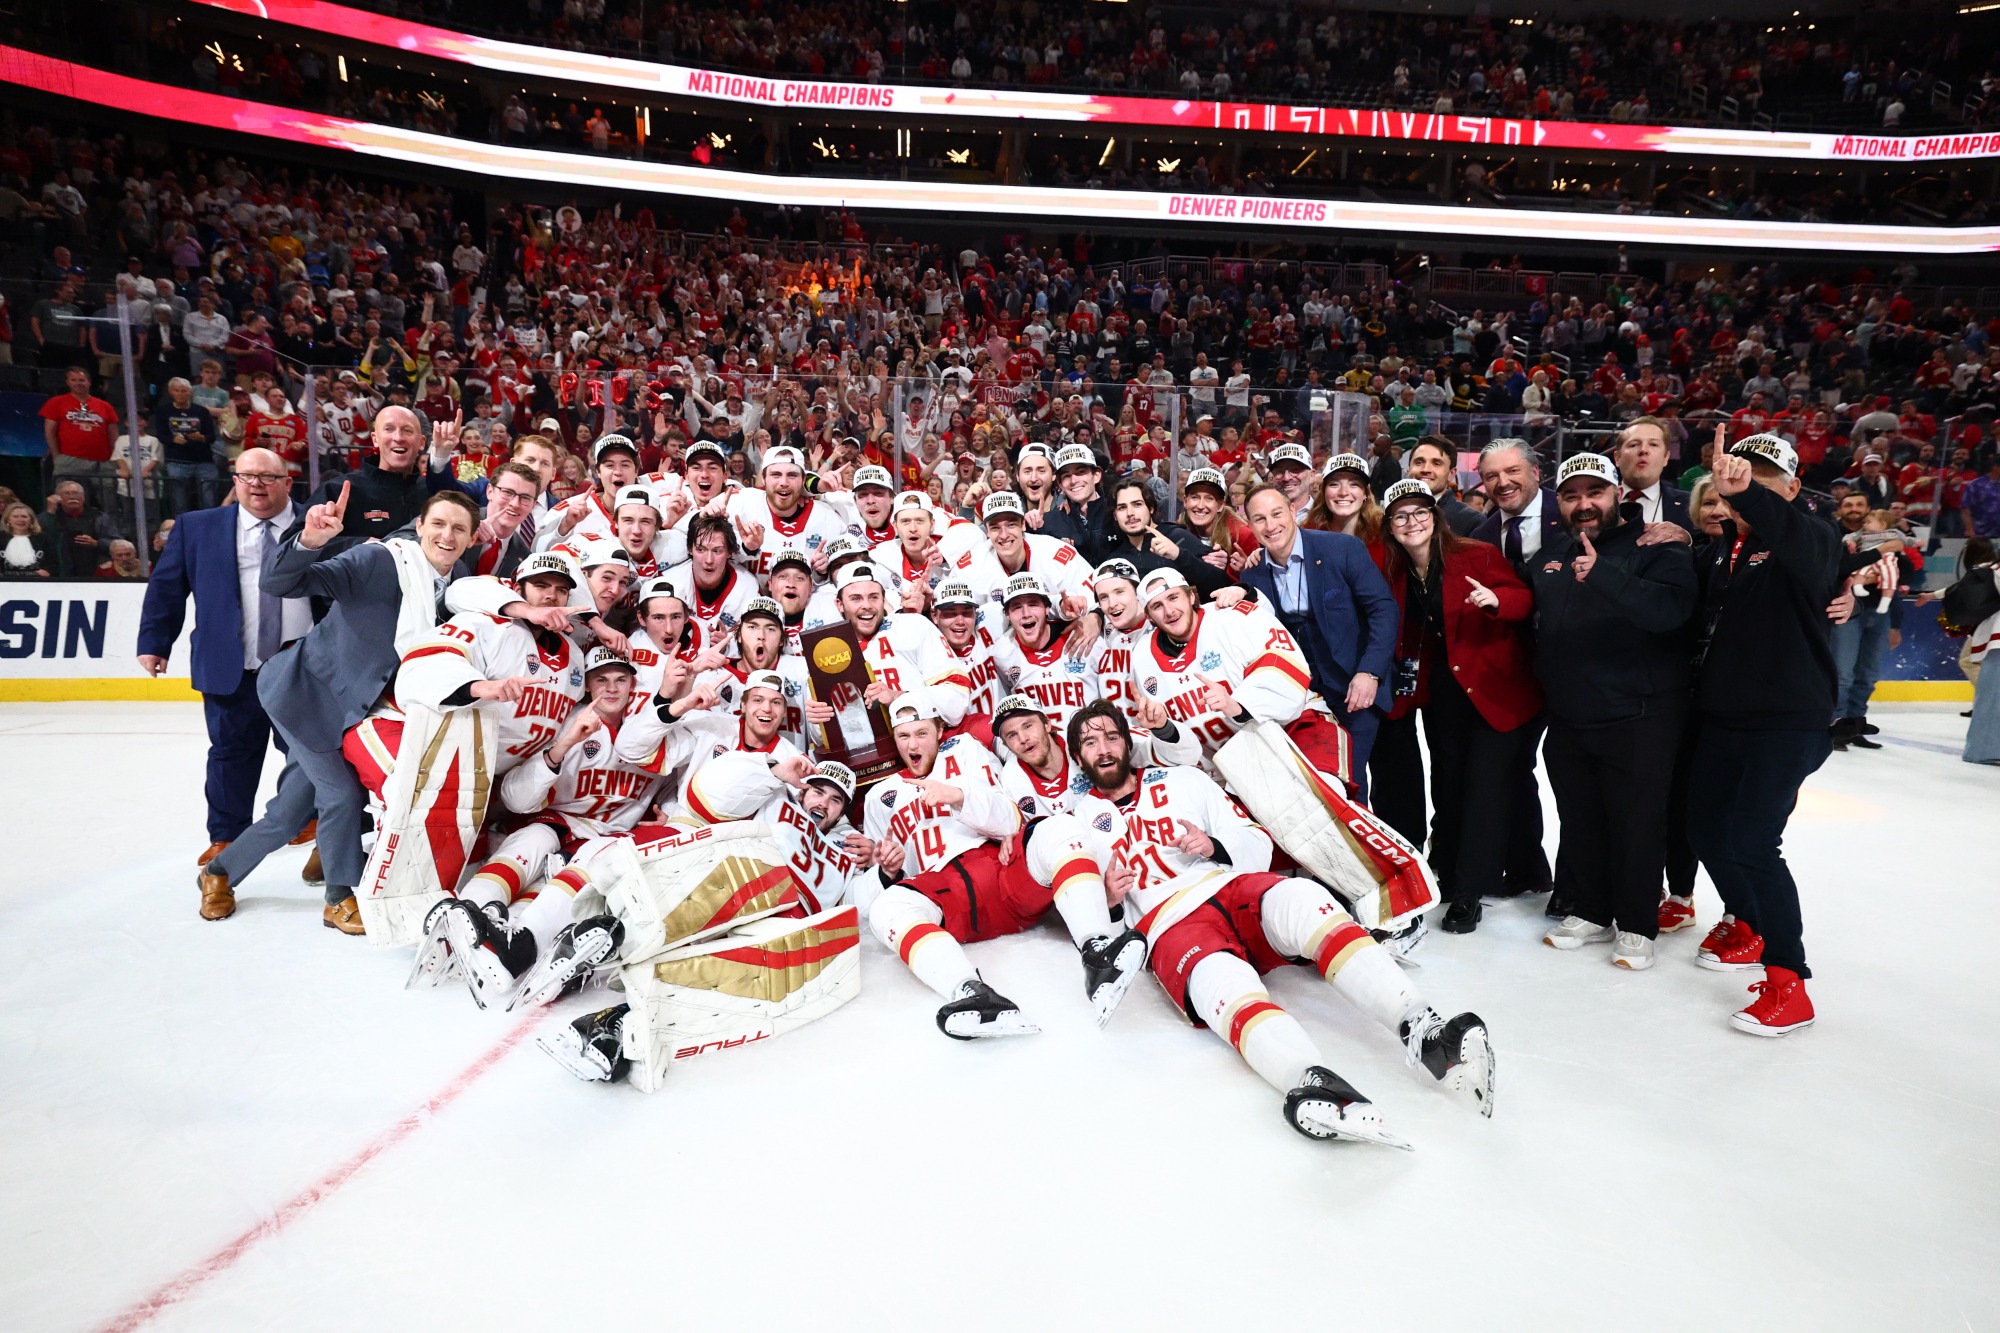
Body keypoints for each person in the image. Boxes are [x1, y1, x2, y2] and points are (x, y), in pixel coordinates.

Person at [1064, 700, 1492, 1145]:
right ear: (1079, 758)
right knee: (1221, 980)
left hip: (1228, 886)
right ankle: (1308, 1083)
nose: (1104, 748)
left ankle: (1425, 1029)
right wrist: (1110, 900)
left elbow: (1255, 840)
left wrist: (1212, 845)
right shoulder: (1077, 824)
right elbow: (1097, 934)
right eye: (1090, 743)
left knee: (1303, 897)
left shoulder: (1183, 779)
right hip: (1166, 924)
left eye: (1112, 736)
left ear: (1128, 742)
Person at [226, 487, 482, 933]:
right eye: (437, 524)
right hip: (307, 695)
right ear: (418, 527)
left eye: (459, 528)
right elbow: (278, 583)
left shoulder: (457, 575)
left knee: (290, 811)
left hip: (360, 706)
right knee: (341, 795)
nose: (447, 535)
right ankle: (339, 898)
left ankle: (218, 875)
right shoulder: (379, 560)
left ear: (472, 538)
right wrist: (310, 542)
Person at [856, 693, 1144, 1035]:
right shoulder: (878, 797)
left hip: (1001, 873)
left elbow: (1010, 818)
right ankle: (971, 994)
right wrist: (886, 873)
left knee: (1060, 826)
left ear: (938, 730)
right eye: (904, 737)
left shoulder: (965, 751)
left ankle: (1097, 952)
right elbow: (866, 894)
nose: (913, 743)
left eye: (921, 733)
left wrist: (959, 795)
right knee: (885, 907)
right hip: (946, 897)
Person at [1686, 434, 1840, 1036]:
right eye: (1734, 475)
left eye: (1762, 478)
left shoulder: (1811, 536)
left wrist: (1747, 491)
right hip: (1725, 718)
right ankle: (1748, 924)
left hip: (1787, 722)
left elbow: (1808, 548)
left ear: (1793, 488)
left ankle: (1789, 983)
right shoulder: (1729, 547)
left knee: (1753, 841)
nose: (1741, 486)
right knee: (1705, 829)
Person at [1528, 453, 1698, 970]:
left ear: (1618, 494)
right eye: (1572, 495)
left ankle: (1637, 921)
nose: (1584, 505)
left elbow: (1670, 613)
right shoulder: (1551, 554)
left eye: (1594, 493)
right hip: (1571, 718)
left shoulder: (1658, 546)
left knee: (1637, 823)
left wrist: (1603, 575)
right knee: (1581, 821)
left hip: (1639, 717)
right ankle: (1593, 909)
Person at [1377, 480, 1541, 933]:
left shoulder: (1476, 554)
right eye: (1401, 515)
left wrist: (1494, 602)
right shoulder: (1392, 566)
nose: (1412, 523)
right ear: (1390, 526)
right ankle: (1446, 871)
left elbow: (1522, 598)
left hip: (1492, 690)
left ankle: (1470, 891)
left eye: (1420, 512)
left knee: (1483, 791)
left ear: (1437, 515)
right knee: (1447, 783)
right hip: (1441, 694)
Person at [1237, 484, 1398, 795]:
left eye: (1276, 514)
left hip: (1356, 687)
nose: (1271, 526)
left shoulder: (1341, 549)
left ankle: (1360, 843)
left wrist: (1370, 672)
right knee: (1314, 786)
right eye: (1259, 519)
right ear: (1251, 527)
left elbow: (1383, 609)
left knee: (1349, 782)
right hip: (1304, 698)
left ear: (1293, 512)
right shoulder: (1253, 574)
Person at [1468, 437, 1560, 905]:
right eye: (1492, 476)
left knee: (1573, 778)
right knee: (1514, 770)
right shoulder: (1483, 535)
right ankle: (1528, 869)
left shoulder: (1573, 515)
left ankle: (1583, 885)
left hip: (1578, 670)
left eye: (1513, 472)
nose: (1503, 482)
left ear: (1536, 473)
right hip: (1516, 673)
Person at [1102, 475, 1230, 598]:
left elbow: (1221, 584)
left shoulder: (1179, 537)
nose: (1130, 513)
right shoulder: (1115, 557)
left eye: (1137, 504)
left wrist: (1179, 555)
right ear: (1115, 515)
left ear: (1151, 508)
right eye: (1122, 507)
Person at [40, 367, 119, 514]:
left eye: (82, 380)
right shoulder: (56, 402)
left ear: (89, 382)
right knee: (69, 500)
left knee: (109, 502)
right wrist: (57, 456)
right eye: (74, 380)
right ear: (68, 382)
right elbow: (49, 431)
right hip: (70, 460)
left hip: (103, 462)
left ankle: (109, 532)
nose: (78, 383)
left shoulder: (104, 406)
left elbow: (114, 435)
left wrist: (114, 459)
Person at [1613, 417, 1694, 529]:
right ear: (1617, 458)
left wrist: (1687, 538)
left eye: (1653, 444)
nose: (1643, 450)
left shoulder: (1689, 504)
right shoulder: (1594, 503)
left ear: (1666, 458)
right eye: (1633, 444)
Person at [1408, 436, 1482, 536]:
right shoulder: (1390, 515)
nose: (1425, 469)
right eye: (1419, 462)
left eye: (1436, 463)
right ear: (1409, 470)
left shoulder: (1472, 521)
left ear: (1451, 474)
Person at [0, 502, 58, 578]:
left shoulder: (43, 538)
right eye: (15, 516)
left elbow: (53, 564)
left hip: (37, 583)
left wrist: (47, 571)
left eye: (24, 516)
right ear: (8, 520)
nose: (20, 520)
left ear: (31, 520)